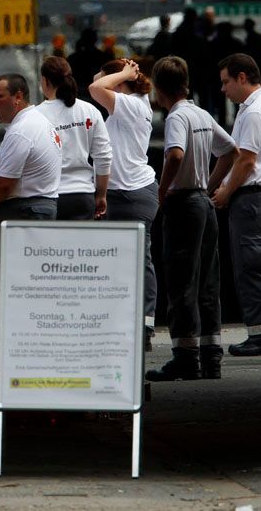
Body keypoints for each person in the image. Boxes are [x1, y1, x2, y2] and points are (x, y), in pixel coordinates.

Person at [147, 56, 238, 381]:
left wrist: (163, 188)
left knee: (181, 281)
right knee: (208, 281)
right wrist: (209, 186)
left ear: (159, 89)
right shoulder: (200, 113)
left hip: (183, 204)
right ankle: (211, 355)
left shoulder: (176, 117)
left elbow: (174, 153)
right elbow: (230, 152)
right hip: (203, 203)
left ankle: (185, 355)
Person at [0, 74, 62, 359]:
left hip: (25, 211)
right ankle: (19, 342)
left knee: (12, 281)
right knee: (29, 282)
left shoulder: (22, 130)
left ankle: (4, 347)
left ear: (18, 97)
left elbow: (4, 182)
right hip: (37, 209)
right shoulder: (38, 123)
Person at [212, 54, 261, 356]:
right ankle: (260, 331)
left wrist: (226, 190)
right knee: (249, 265)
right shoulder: (251, 108)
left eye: (226, 81)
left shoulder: (254, 112)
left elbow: (247, 160)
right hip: (254, 197)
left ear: (242, 78)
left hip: (252, 197)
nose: (223, 89)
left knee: (253, 266)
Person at [89, 59, 159, 350]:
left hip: (131, 193)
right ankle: (127, 322)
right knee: (123, 261)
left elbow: (94, 87)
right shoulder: (130, 103)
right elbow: (97, 79)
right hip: (125, 191)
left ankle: (144, 325)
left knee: (138, 261)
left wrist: (124, 73)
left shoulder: (132, 104)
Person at [36, 56, 112, 220]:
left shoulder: (36, 116)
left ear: (45, 81)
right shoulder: (90, 111)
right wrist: (101, 195)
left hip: (47, 198)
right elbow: (103, 157)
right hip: (82, 196)